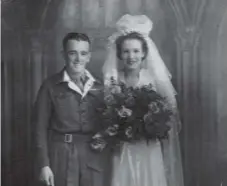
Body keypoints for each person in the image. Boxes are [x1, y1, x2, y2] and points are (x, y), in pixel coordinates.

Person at [102, 14, 184, 186]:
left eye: (136, 51)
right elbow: (107, 114)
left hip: (148, 146)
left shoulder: (153, 80)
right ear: (120, 54)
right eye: (126, 51)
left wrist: (154, 124)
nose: (131, 56)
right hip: (123, 147)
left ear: (144, 53)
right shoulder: (114, 81)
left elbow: (169, 112)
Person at [33, 32, 112, 186]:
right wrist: (44, 164)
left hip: (93, 156)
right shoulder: (50, 86)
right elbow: (39, 128)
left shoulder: (100, 86)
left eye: (83, 53)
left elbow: (108, 122)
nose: (78, 59)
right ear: (64, 55)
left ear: (89, 56)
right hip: (61, 155)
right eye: (72, 53)